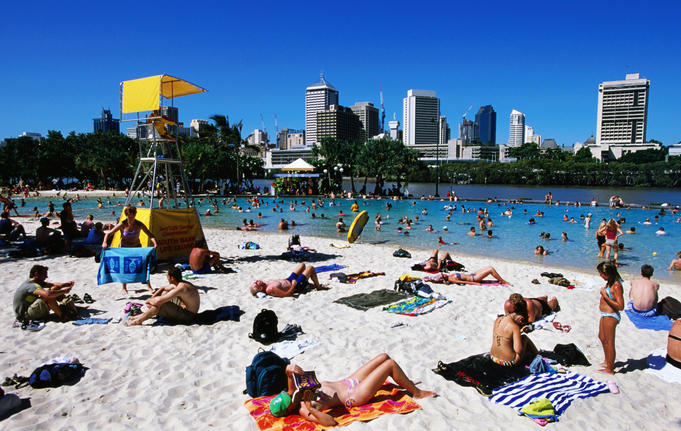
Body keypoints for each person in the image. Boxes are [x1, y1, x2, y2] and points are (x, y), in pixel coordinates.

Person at [272, 353, 435, 425]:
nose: (290, 395)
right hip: (353, 395)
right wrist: (310, 407)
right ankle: (417, 393)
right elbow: (330, 422)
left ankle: (405, 381)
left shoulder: (293, 395)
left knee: (384, 357)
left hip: (349, 381)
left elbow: (288, 374)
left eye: (287, 394)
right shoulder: (303, 410)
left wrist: (290, 368)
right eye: (289, 400)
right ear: (289, 410)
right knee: (389, 365)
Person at [101, 206, 158, 294]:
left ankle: (149, 286)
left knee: (144, 266)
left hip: (136, 247)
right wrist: (104, 242)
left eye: (132, 216)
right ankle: (124, 287)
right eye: (129, 216)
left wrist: (155, 243)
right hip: (124, 248)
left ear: (135, 215)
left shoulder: (139, 224)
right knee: (124, 267)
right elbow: (108, 234)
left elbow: (150, 234)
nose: (131, 218)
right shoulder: (122, 224)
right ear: (126, 215)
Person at [126, 267, 199, 326]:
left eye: (167, 277)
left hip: (188, 316)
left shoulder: (181, 288)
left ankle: (139, 320)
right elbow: (163, 288)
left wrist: (149, 300)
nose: (167, 278)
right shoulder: (179, 283)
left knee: (160, 303)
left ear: (172, 278)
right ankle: (143, 315)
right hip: (185, 310)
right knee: (164, 293)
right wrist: (152, 297)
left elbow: (158, 301)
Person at [490, 298, 538, 367]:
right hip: (507, 362)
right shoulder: (514, 327)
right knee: (524, 338)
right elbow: (518, 350)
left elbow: (504, 335)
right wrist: (519, 334)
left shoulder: (498, 319)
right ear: (521, 318)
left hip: (493, 358)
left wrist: (520, 332)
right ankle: (538, 355)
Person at [596, 261, 625, 374]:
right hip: (604, 314)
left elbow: (621, 306)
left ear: (607, 274)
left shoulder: (617, 286)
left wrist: (605, 296)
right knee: (602, 337)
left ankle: (610, 369)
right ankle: (607, 361)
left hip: (611, 316)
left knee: (609, 342)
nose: (600, 276)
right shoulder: (609, 282)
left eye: (601, 274)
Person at [249, 263, 327, 297]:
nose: (256, 281)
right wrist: (293, 285)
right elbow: (286, 294)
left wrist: (288, 279)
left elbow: (280, 282)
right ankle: (318, 287)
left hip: (290, 279)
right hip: (296, 285)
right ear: (260, 288)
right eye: (256, 283)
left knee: (302, 265)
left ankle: (307, 283)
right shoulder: (270, 289)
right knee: (310, 268)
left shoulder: (267, 283)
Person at [441, 266, 510, 286]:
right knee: (491, 269)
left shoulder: (450, 275)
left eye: (442, 274)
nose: (444, 274)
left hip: (473, 274)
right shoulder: (451, 279)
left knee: (490, 267)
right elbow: (464, 282)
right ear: (444, 278)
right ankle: (503, 281)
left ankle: (501, 280)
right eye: (443, 276)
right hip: (474, 278)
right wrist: (475, 283)